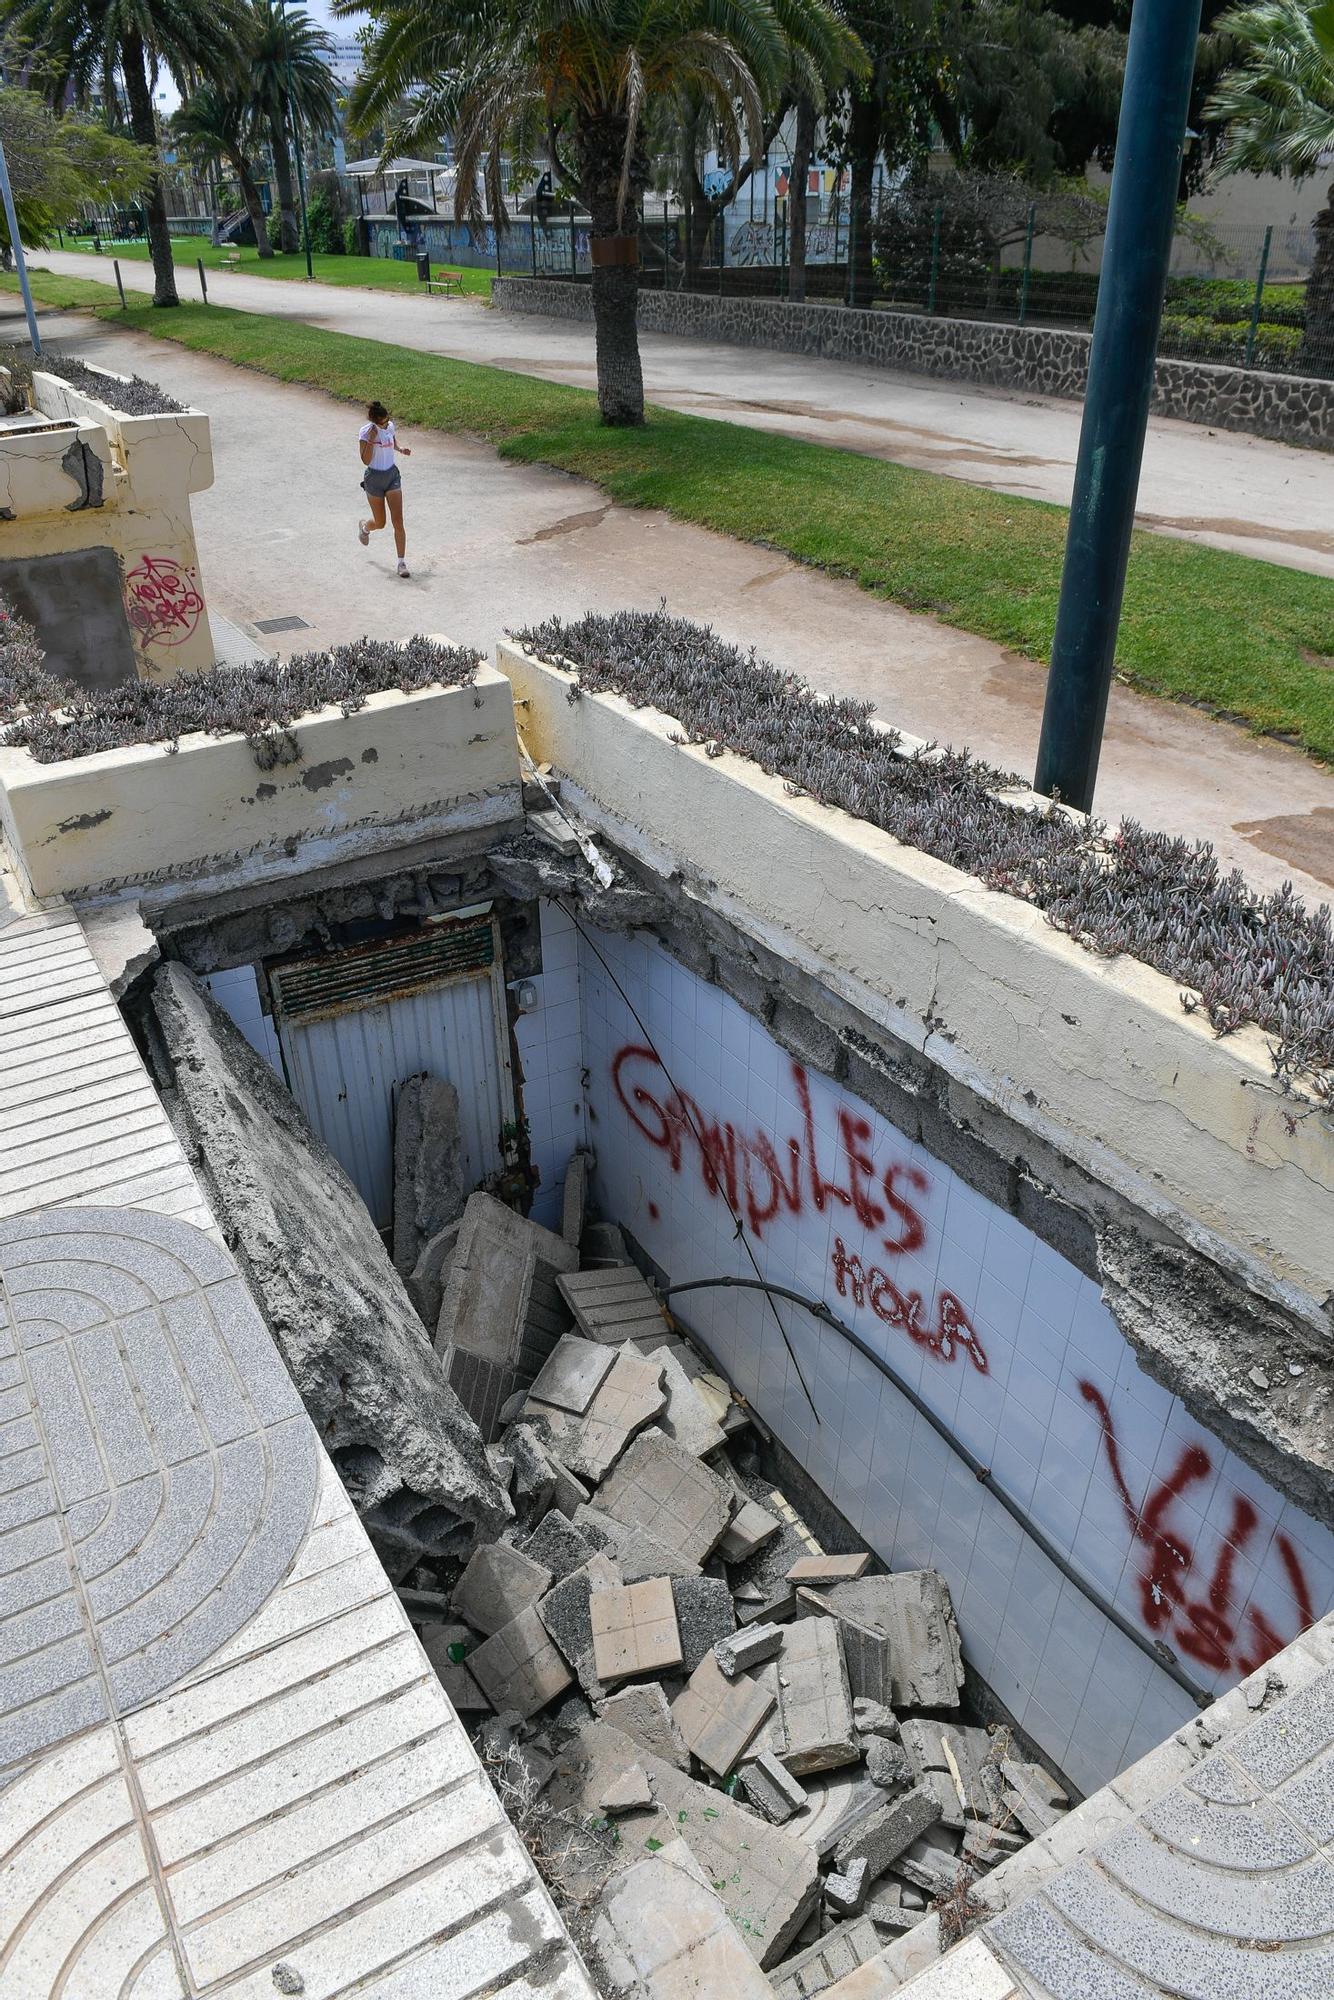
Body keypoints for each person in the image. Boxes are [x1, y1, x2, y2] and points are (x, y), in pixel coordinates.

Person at [357, 400, 412, 577]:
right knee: (380, 523)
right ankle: (365, 527)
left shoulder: (390, 426)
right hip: (374, 479)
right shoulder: (365, 433)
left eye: (387, 420)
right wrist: (372, 440)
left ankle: (401, 563)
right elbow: (365, 460)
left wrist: (401, 449)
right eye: (382, 422)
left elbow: (392, 441)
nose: (386, 424)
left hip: (392, 476)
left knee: (398, 521)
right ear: (374, 421)